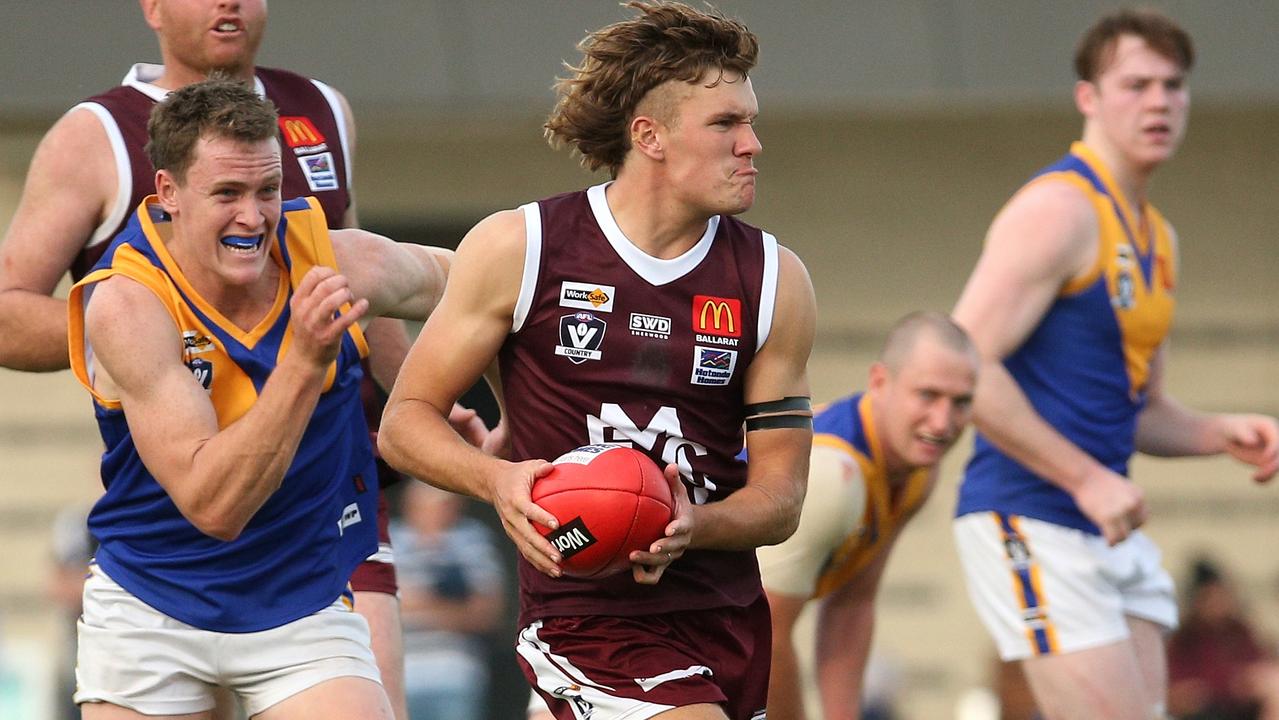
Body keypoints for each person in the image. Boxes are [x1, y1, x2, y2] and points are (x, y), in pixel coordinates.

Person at [378, 3, 817, 719]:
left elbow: (781, 498)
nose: (752, 145)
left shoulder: (774, 280)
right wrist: (498, 481)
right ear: (649, 136)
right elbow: (405, 424)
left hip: (726, 617)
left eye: (750, 122)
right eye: (725, 124)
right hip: (585, 616)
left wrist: (690, 526)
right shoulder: (522, 247)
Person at [0, 3, 423, 714]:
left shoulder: (322, 108)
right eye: (227, 193)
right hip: (171, 529)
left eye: (268, 191)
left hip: (322, 507)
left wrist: (422, 401)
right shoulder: (97, 134)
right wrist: (163, 337)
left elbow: (358, 281)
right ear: (154, 7)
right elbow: (8, 315)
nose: (254, 218)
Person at [949, 9, 1279, 720]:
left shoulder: (1158, 239)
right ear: (1088, 98)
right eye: (1135, 84)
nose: (1158, 101)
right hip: (1028, 515)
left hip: (1104, 530)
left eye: (1172, 85)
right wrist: (1084, 477)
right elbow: (961, 361)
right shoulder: (1060, 209)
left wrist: (1219, 431)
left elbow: (1139, 411)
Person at [759, 311, 978, 720]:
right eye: (928, 395)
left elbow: (852, 605)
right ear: (880, 381)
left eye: (961, 402)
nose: (943, 423)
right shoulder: (835, 477)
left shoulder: (916, 472)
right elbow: (762, 634)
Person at [391, 482, 505, 720]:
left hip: (457, 674)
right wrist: (450, 606)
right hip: (399, 675)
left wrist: (413, 602)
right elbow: (377, 610)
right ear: (409, 506)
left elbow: (486, 614)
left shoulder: (473, 538)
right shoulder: (390, 539)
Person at [1166, 558, 1279, 720]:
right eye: (1210, 598)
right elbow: (1175, 691)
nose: (1218, 604)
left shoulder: (1239, 632)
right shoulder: (1184, 640)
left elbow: (1258, 666)